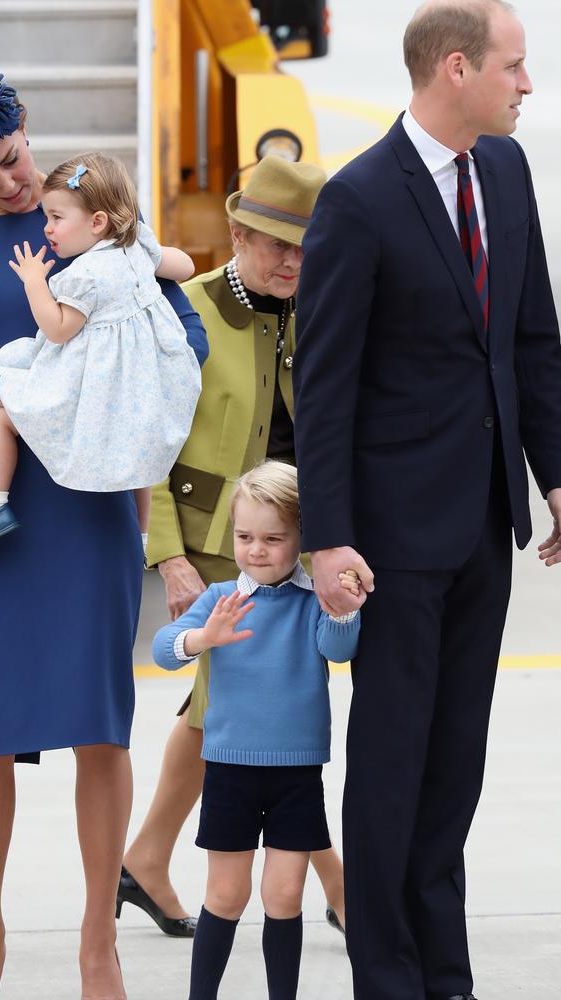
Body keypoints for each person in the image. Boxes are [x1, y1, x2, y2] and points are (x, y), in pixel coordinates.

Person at [0, 47, 206, 1000]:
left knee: (100, 727)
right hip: (0, 511)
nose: (16, 176)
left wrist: (97, 389)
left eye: (16, 152)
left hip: (92, 509)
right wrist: (31, 393)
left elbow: (184, 332)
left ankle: (97, 946)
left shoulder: (93, 219)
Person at [292, 2, 561, 998]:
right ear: (454, 68)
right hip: (392, 541)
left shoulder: (504, 171)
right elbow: (321, 386)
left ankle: (442, 969)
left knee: (454, 765)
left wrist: (553, 473)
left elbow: (531, 339)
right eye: (512, 65)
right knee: (391, 763)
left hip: (482, 526)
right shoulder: (357, 200)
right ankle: (388, 973)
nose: (525, 84)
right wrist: (329, 538)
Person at [116, 156, 350, 942]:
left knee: (224, 712)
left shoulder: (318, 307)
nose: (292, 261)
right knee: (262, 716)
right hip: (220, 546)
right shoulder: (187, 309)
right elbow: (143, 441)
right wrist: (170, 556)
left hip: (302, 540)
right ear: (239, 233)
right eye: (276, 245)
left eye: (305, 247)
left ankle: (146, 856)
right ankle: (343, 891)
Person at [151, 462, 361, 999]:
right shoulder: (220, 598)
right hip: (228, 771)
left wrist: (343, 609)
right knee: (225, 895)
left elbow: (338, 651)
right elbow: (163, 649)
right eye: (245, 537)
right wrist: (204, 636)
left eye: (274, 538)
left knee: (284, 896)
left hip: (296, 772)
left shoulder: (314, 598)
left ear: (301, 539)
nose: (257, 550)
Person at [0, 151, 201, 553]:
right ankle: (139, 535)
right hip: (146, 379)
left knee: (2, 413)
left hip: (96, 383)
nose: (47, 228)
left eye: (56, 218)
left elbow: (59, 328)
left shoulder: (84, 275)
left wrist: (34, 281)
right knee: (139, 459)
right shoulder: (137, 246)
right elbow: (185, 267)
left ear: (97, 222)